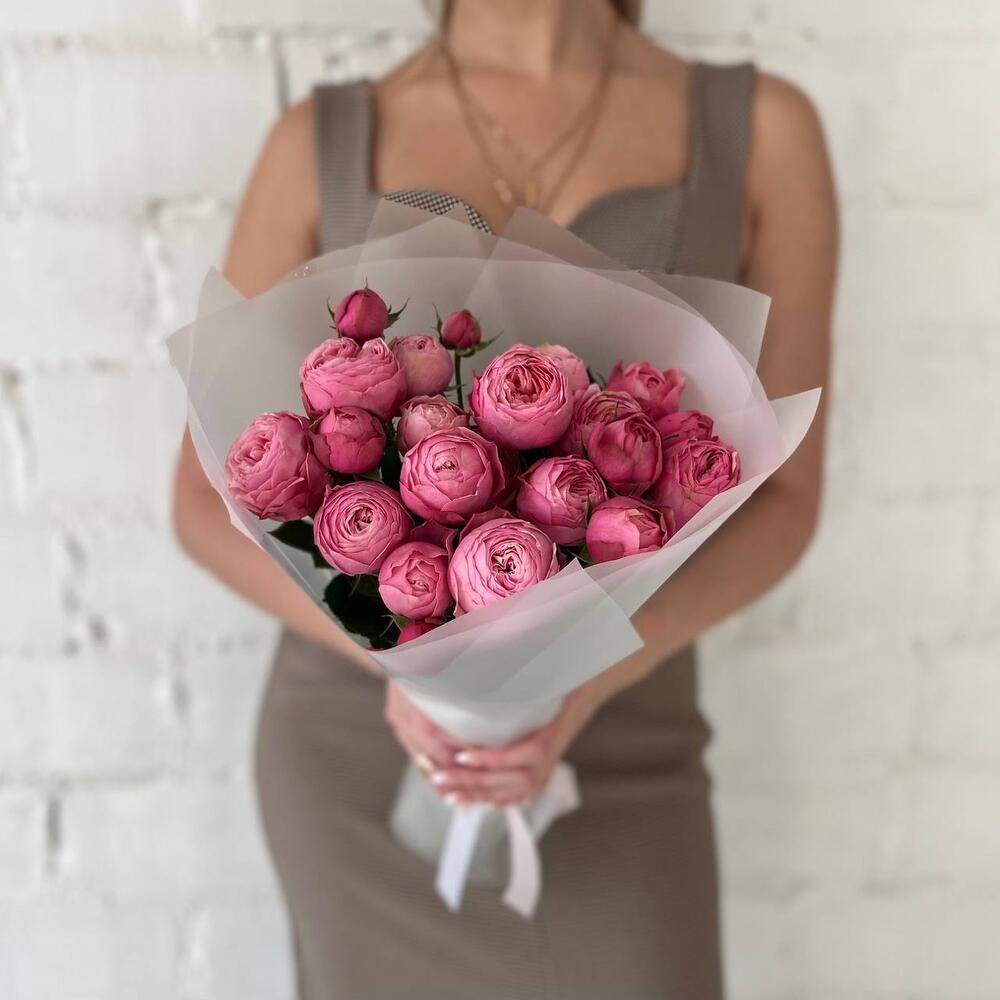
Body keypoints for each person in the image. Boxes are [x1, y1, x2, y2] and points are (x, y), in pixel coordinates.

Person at [172, 0, 837, 995]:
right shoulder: (319, 140)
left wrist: (574, 689)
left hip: (625, 742)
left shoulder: (764, 130)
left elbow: (784, 502)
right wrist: (415, 679)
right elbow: (200, 501)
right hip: (367, 754)